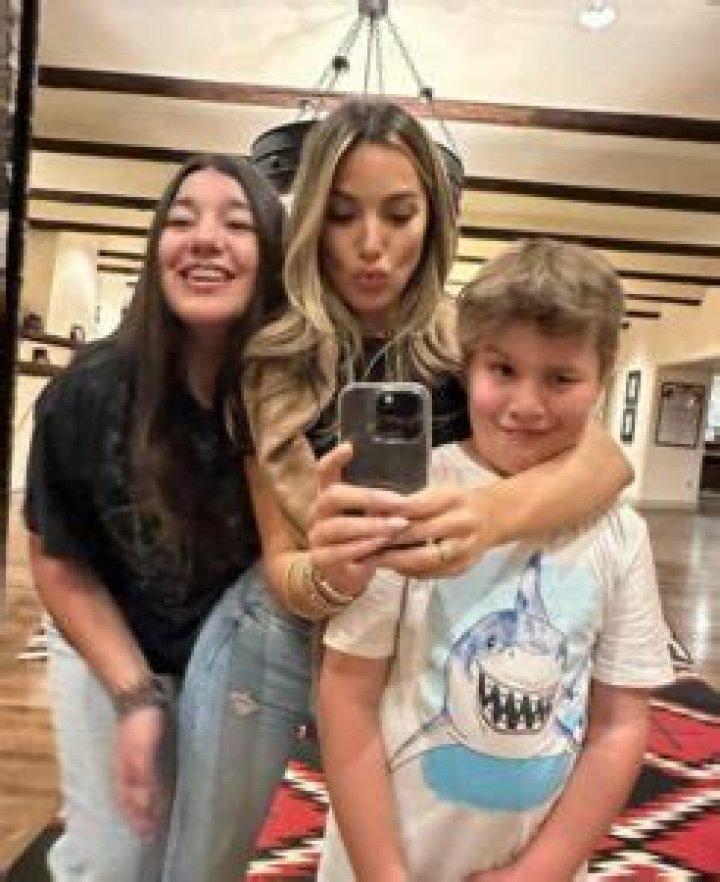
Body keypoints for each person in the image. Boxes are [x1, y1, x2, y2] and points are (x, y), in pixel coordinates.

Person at [315, 238, 675, 882]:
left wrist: (539, 871)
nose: (526, 405)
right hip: (385, 857)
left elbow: (619, 726)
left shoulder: (620, 536)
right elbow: (347, 695)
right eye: (503, 370)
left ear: (601, 381)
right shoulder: (407, 501)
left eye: (560, 378)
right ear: (467, 366)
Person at [23, 153, 291, 882]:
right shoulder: (86, 395)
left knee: (204, 858)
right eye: (181, 220)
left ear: (272, 257)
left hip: (232, 650)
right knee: (116, 857)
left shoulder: (290, 397)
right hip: (109, 630)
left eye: (237, 224)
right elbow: (56, 560)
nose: (205, 239)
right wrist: (135, 696)